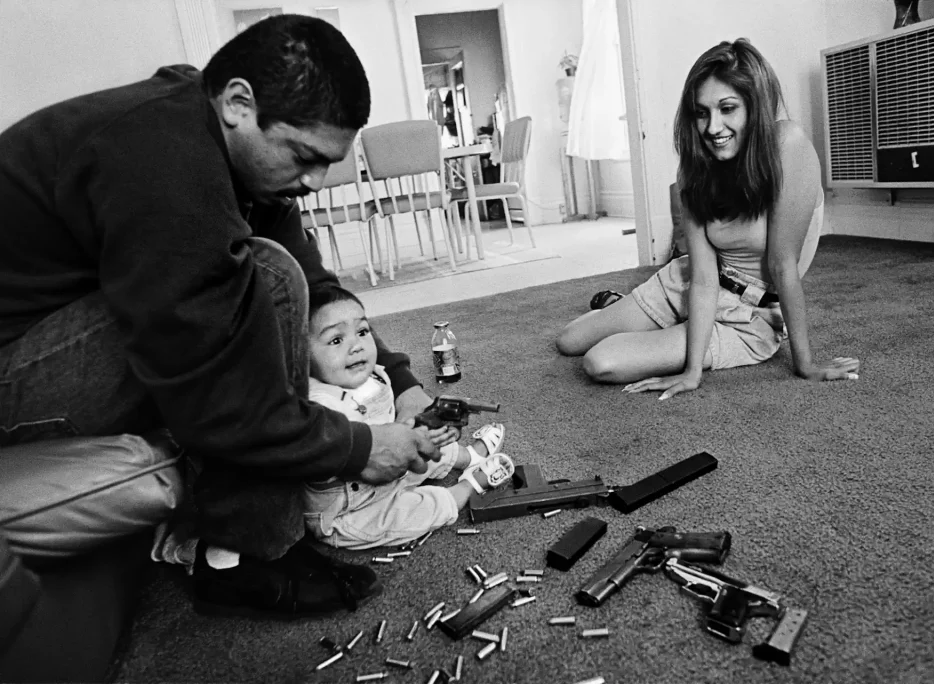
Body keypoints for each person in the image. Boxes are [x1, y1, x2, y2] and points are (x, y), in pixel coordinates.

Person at [0, 14, 442, 619]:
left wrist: (402, 382)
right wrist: (357, 446)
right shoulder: (164, 162)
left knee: (281, 273)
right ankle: (236, 559)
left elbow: (320, 290)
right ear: (239, 102)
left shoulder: (221, 144)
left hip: (44, 341)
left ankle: (251, 538)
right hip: (11, 373)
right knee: (263, 277)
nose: (315, 183)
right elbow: (217, 391)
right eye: (305, 157)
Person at [556, 39, 860, 398]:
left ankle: (646, 321)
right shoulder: (695, 168)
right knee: (569, 341)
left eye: (728, 108)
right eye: (702, 113)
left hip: (749, 315)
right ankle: (625, 308)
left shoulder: (788, 146)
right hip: (690, 284)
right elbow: (702, 279)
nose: (713, 127)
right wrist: (691, 370)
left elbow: (783, 265)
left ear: (755, 106)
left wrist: (805, 363)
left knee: (601, 361)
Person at [302, 286, 514, 549]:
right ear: (301, 355)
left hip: (392, 466)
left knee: (428, 441)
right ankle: (465, 489)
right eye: (336, 340)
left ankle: (468, 457)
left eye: (362, 332)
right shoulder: (318, 405)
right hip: (351, 506)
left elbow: (392, 432)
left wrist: (419, 430)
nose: (356, 346)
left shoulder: (376, 375)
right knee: (412, 514)